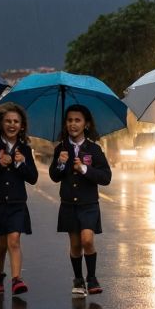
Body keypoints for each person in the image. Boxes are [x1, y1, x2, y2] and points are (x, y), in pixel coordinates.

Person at [50, 104, 112, 297]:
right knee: (75, 245)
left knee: (87, 240)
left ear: (86, 124)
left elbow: (106, 177)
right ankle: (78, 278)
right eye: (69, 120)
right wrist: (60, 162)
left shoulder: (94, 149)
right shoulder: (61, 148)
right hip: (69, 204)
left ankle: (91, 278)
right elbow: (54, 176)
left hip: (88, 204)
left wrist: (84, 170)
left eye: (77, 120)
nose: (73, 124)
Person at [0, 103, 38, 295]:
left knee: (14, 241)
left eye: (16, 121)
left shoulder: (26, 150)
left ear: (22, 126)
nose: (12, 124)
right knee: (2, 244)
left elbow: (33, 177)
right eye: (8, 121)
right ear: (1, 124)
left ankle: (16, 280)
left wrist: (21, 164)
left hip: (17, 204)